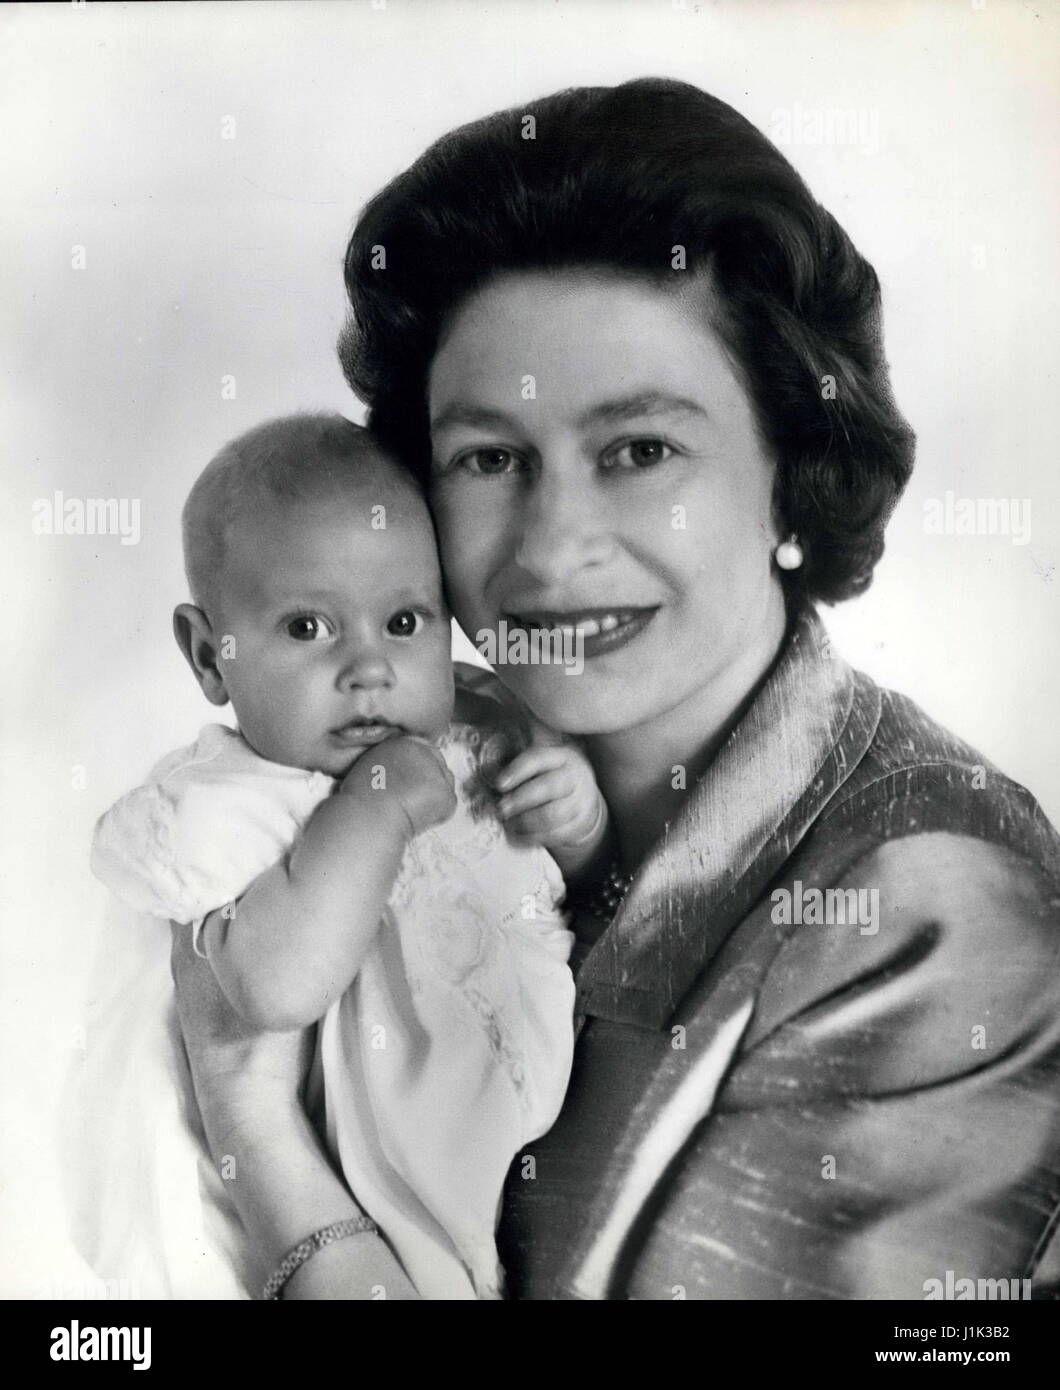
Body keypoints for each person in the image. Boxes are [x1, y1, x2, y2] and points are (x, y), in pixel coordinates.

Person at [171, 78, 1060, 1300]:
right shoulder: (397, 783)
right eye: (489, 457)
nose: (550, 546)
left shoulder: (928, 897)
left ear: (793, 471)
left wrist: (250, 1120)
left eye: (640, 450)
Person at [74, 414, 611, 1299]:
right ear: (211, 657)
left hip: (548, 1157)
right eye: (307, 627)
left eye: (403, 620)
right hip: (391, 1208)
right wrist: (376, 808)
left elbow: (581, 895)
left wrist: (577, 818)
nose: (369, 667)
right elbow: (271, 991)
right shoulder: (237, 802)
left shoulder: (479, 729)